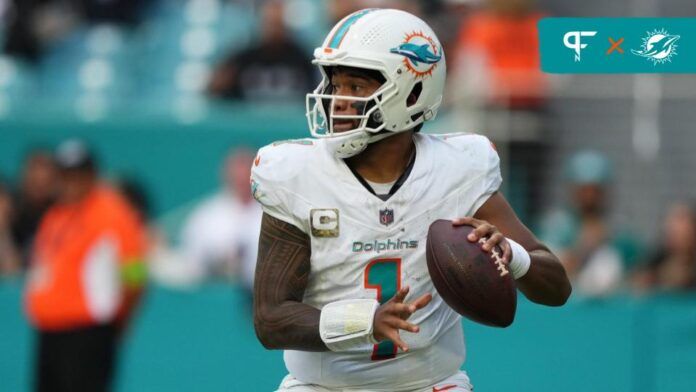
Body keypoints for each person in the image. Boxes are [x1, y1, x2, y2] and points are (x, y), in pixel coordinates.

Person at [251, 9, 571, 391]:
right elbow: (270, 318)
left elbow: (556, 288)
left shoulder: (458, 169)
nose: (338, 100)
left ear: (412, 91)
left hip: (430, 383)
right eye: (335, 84)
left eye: (356, 87)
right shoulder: (297, 174)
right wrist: (364, 323)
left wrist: (511, 255)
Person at [24, 139, 147, 392]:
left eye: (78, 175)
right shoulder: (56, 214)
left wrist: (123, 315)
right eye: (66, 175)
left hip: (87, 333)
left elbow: (135, 271)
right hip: (49, 332)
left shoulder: (111, 213)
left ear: (92, 175)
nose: (71, 183)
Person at [539, 150, 640, 297]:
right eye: (584, 190)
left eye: (596, 190)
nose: (590, 197)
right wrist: (585, 247)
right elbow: (546, 271)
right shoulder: (556, 226)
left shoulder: (619, 230)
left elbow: (637, 270)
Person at [179, 148, 262, 289]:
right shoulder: (206, 216)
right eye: (237, 168)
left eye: (247, 168)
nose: (242, 176)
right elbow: (190, 263)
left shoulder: (276, 214)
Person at [207, 0, 315, 101]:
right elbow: (217, 90)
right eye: (270, 23)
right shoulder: (243, 60)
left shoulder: (302, 60)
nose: (274, 29)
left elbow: (314, 93)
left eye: (277, 23)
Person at [632, 202, 696, 292]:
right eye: (671, 232)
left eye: (679, 233)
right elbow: (637, 280)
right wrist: (655, 279)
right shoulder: (657, 257)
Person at [11, 149, 57, 269]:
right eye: (34, 181)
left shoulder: (63, 215)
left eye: (45, 181)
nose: (39, 186)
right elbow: (11, 271)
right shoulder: (12, 212)